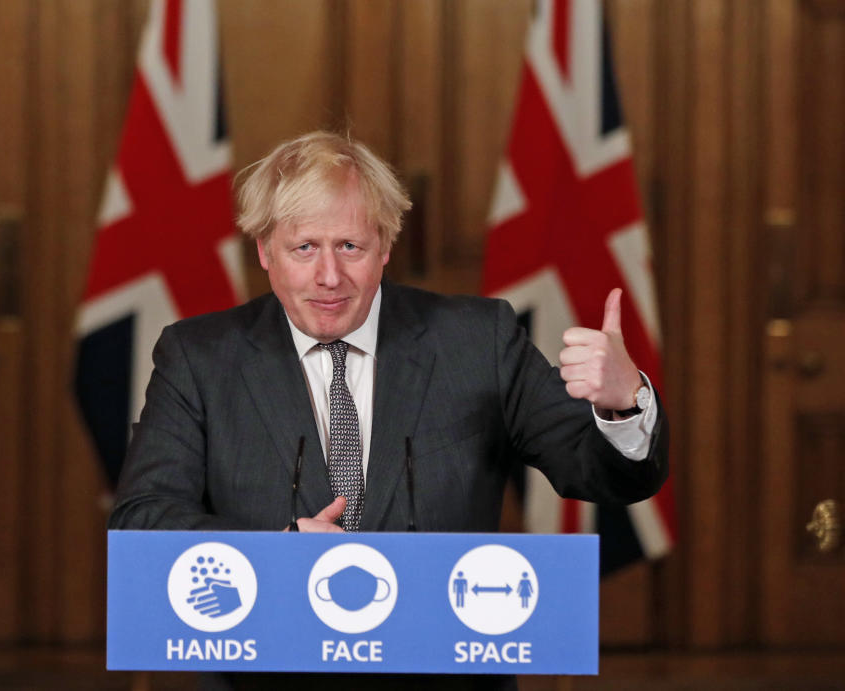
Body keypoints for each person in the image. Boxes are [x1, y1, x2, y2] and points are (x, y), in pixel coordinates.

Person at [109, 131, 668, 690]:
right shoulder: (200, 357)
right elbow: (143, 521)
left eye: (350, 246)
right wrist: (274, 554)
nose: (329, 275)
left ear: (385, 245)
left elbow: (605, 476)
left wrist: (623, 405)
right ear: (264, 250)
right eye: (305, 248)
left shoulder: (479, 342)